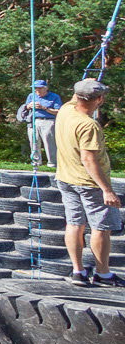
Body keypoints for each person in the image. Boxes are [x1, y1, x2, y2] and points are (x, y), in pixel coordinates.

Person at [55, 79, 121, 287]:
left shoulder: (65, 110)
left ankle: (78, 272)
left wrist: (87, 83)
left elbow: (76, 96)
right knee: (101, 228)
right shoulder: (88, 125)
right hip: (89, 184)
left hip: (65, 179)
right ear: (99, 99)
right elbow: (88, 159)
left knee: (74, 224)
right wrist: (107, 190)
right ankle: (103, 274)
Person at [20, 78, 62, 167]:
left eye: (39, 88)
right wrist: (29, 106)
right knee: (34, 142)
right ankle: (36, 162)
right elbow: (26, 107)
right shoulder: (31, 96)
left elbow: (58, 111)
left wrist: (44, 108)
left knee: (50, 143)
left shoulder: (54, 97)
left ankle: (52, 163)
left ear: (45, 88)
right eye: (35, 88)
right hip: (33, 121)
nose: (37, 90)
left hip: (48, 121)